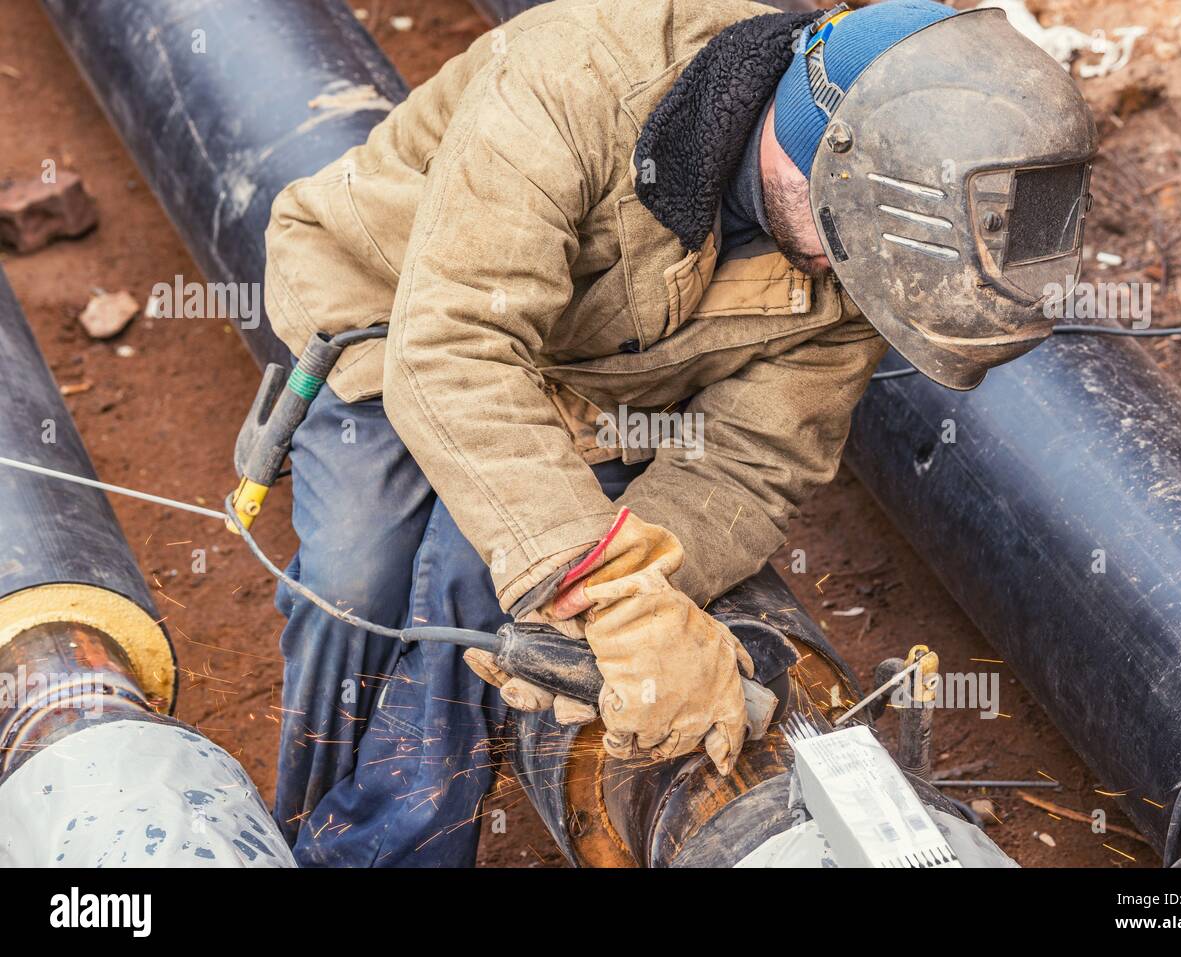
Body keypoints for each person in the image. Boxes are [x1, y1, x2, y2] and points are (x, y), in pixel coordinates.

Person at [261, 0, 1096, 866]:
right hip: (396, 317)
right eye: (846, 255)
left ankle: (379, 853)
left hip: (600, 388)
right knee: (355, 578)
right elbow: (455, 349)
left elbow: (749, 460)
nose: (849, 287)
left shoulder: (855, 253)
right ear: (830, 163)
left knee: (488, 592)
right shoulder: (575, 77)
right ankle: (299, 827)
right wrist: (609, 588)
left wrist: (641, 593)